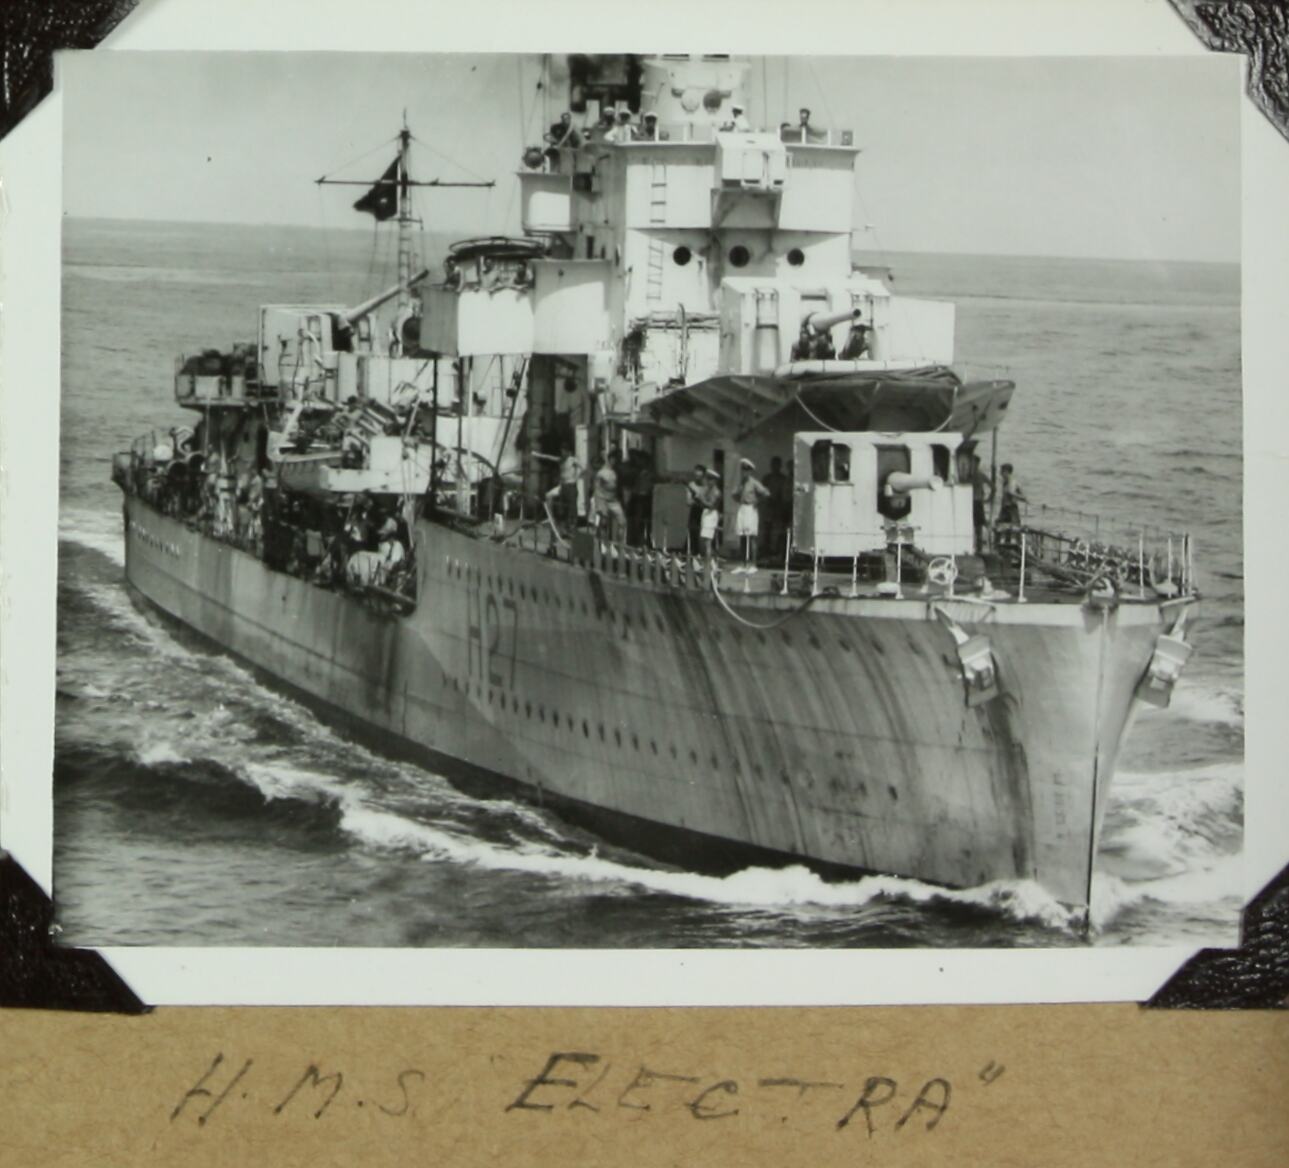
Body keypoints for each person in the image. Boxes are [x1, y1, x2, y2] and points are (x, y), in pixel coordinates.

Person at [732, 458, 772, 572]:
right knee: (742, 537)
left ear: (750, 471)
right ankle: (743, 564)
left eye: (746, 470)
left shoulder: (754, 482)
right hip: (742, 508)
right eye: (743, 470)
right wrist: (737, 497)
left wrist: (757, 501)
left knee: (752, 538)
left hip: (750, 509)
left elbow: (767, 493)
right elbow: (734, 494)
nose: (744, 472)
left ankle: (753, 565)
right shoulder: (741, 482)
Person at [590, 455, 626, 543]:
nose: (615, 462)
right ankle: (601, 542)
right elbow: (596, 488)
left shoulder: (617, 471)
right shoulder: (601, 473)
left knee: (622, 522)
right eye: (613, 460)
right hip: (602, 500)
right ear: (609, 460)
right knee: (603, 522)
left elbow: (619, 486)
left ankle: (619, 543)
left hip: (613, 500)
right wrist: (598, 504)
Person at [762, 455, 790, 559]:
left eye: (777, 465)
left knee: (778, 531)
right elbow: (762, 491)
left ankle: (777, 551)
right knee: (767, 530)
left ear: (780, 466)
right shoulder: (767, 478)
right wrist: (768, 499)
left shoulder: (783, 479)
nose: (775, 467)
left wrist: (779, 502)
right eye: (773, 464)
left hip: (779, 508)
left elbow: (785, 493)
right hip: (768, 508)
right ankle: (766, 551)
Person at [699, 468, 723, 566]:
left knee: (708, 541)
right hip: (705, 514)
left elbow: (711, 506)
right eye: (708, 479)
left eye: (710, 479)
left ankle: (709, 563)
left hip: (711, 515)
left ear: (714, 480)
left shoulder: (716, 492)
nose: (708, 482)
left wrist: (701, 499)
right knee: (704, 540)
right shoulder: (707, 490)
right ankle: (709, 561)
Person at [970, 454, 992, 552]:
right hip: (972, 502)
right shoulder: (971, 475)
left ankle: (979, 547)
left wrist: (988, 499)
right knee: (975, 524)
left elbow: (993, 487)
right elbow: (993, 487)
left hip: (977, 502)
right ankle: (976, 545)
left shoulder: (978, 475)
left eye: (973, 463)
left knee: (978, 525)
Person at [685, 464, 708, 554]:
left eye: (699, 476)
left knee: (705, 534)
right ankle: (694, 552)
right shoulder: (691, 485)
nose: (697, 478)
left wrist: (702, 499)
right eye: (696, 475)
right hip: (695, 511)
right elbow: (688, 502)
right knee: (693, 532)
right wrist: (696, 499)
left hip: (705, 512)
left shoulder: (707, 486)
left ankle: (704, 553)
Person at [997, 463, 1026, 528]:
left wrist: (1013, 494)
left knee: (1015, 528)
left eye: (1002, 471)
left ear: (1006, 471)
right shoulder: (1005, 482)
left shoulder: (1013, 482)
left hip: (1012, 509)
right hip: (1004, 509)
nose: (1000, 474)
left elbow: (1024, 498)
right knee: (999, 528)